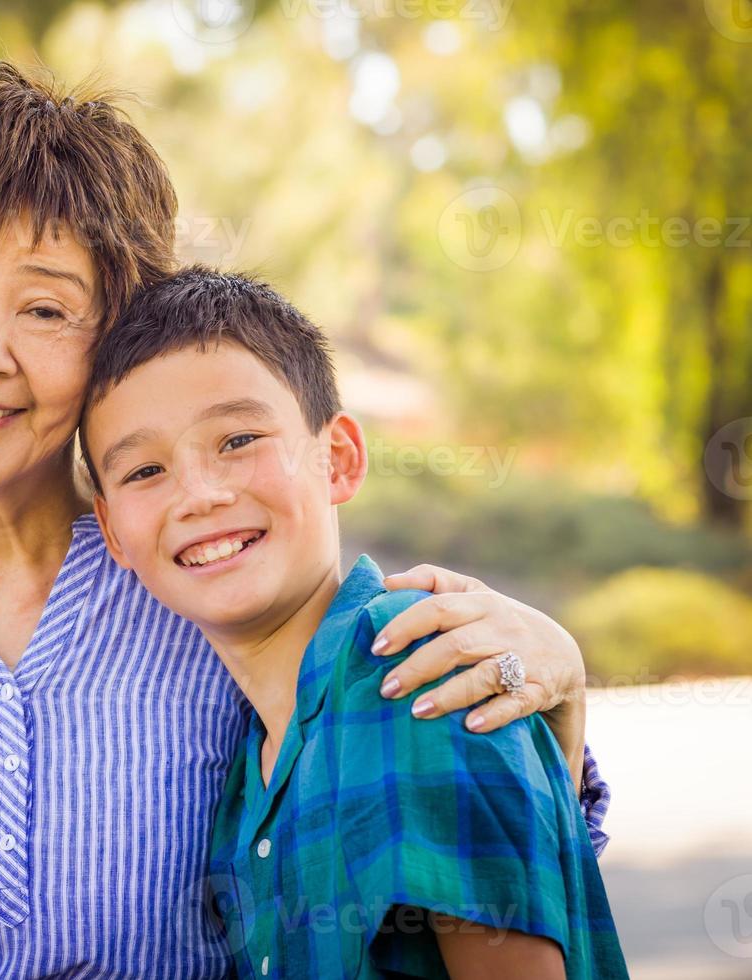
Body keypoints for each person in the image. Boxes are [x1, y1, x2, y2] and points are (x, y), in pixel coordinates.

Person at [0, 63, 609, 978]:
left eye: (44, 307)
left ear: (115, 343)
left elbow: (422, 826)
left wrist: (558, 693)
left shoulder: (193, 577)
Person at [80, 266, 628, 978]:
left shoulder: (412, 667)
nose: (200, 495)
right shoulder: (247, 775)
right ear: (113, 533)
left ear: (336, 459)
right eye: (144, 472)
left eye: (238, 439)